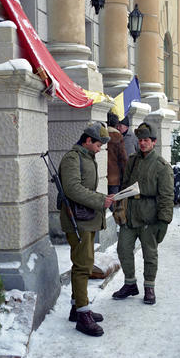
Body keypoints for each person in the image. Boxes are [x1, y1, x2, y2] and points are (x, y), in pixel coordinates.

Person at [59, 122, 114, 337]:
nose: (100, 149)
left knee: (85, 263)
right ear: (88, 141)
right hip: (78, 220)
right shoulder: (73, 158)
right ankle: (83, 315)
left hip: (86, 218)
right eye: (98, 144)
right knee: (83, 266)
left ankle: (77, 307)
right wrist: (101, 200)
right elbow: (73, 189)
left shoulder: (86, 157)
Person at [112, 122, 174, 305]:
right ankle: (130, 283)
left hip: (150, 216)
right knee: (123, 249)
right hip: (130, 215)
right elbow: (124, 186)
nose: (142, 143)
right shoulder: (133, 160)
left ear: (154, 142)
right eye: (140, 140)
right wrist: (119, 208)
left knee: (150, 254)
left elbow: (167, 196)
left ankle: (149, 287)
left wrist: (164, 221)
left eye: (146, 140)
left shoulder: (162, 166)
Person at [107, 111, 127, 198]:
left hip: (101, 175)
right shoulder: (118, 136)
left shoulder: (100, 134)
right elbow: (122, 157)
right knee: (114, 203)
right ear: (116, 124)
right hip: (114, 177)